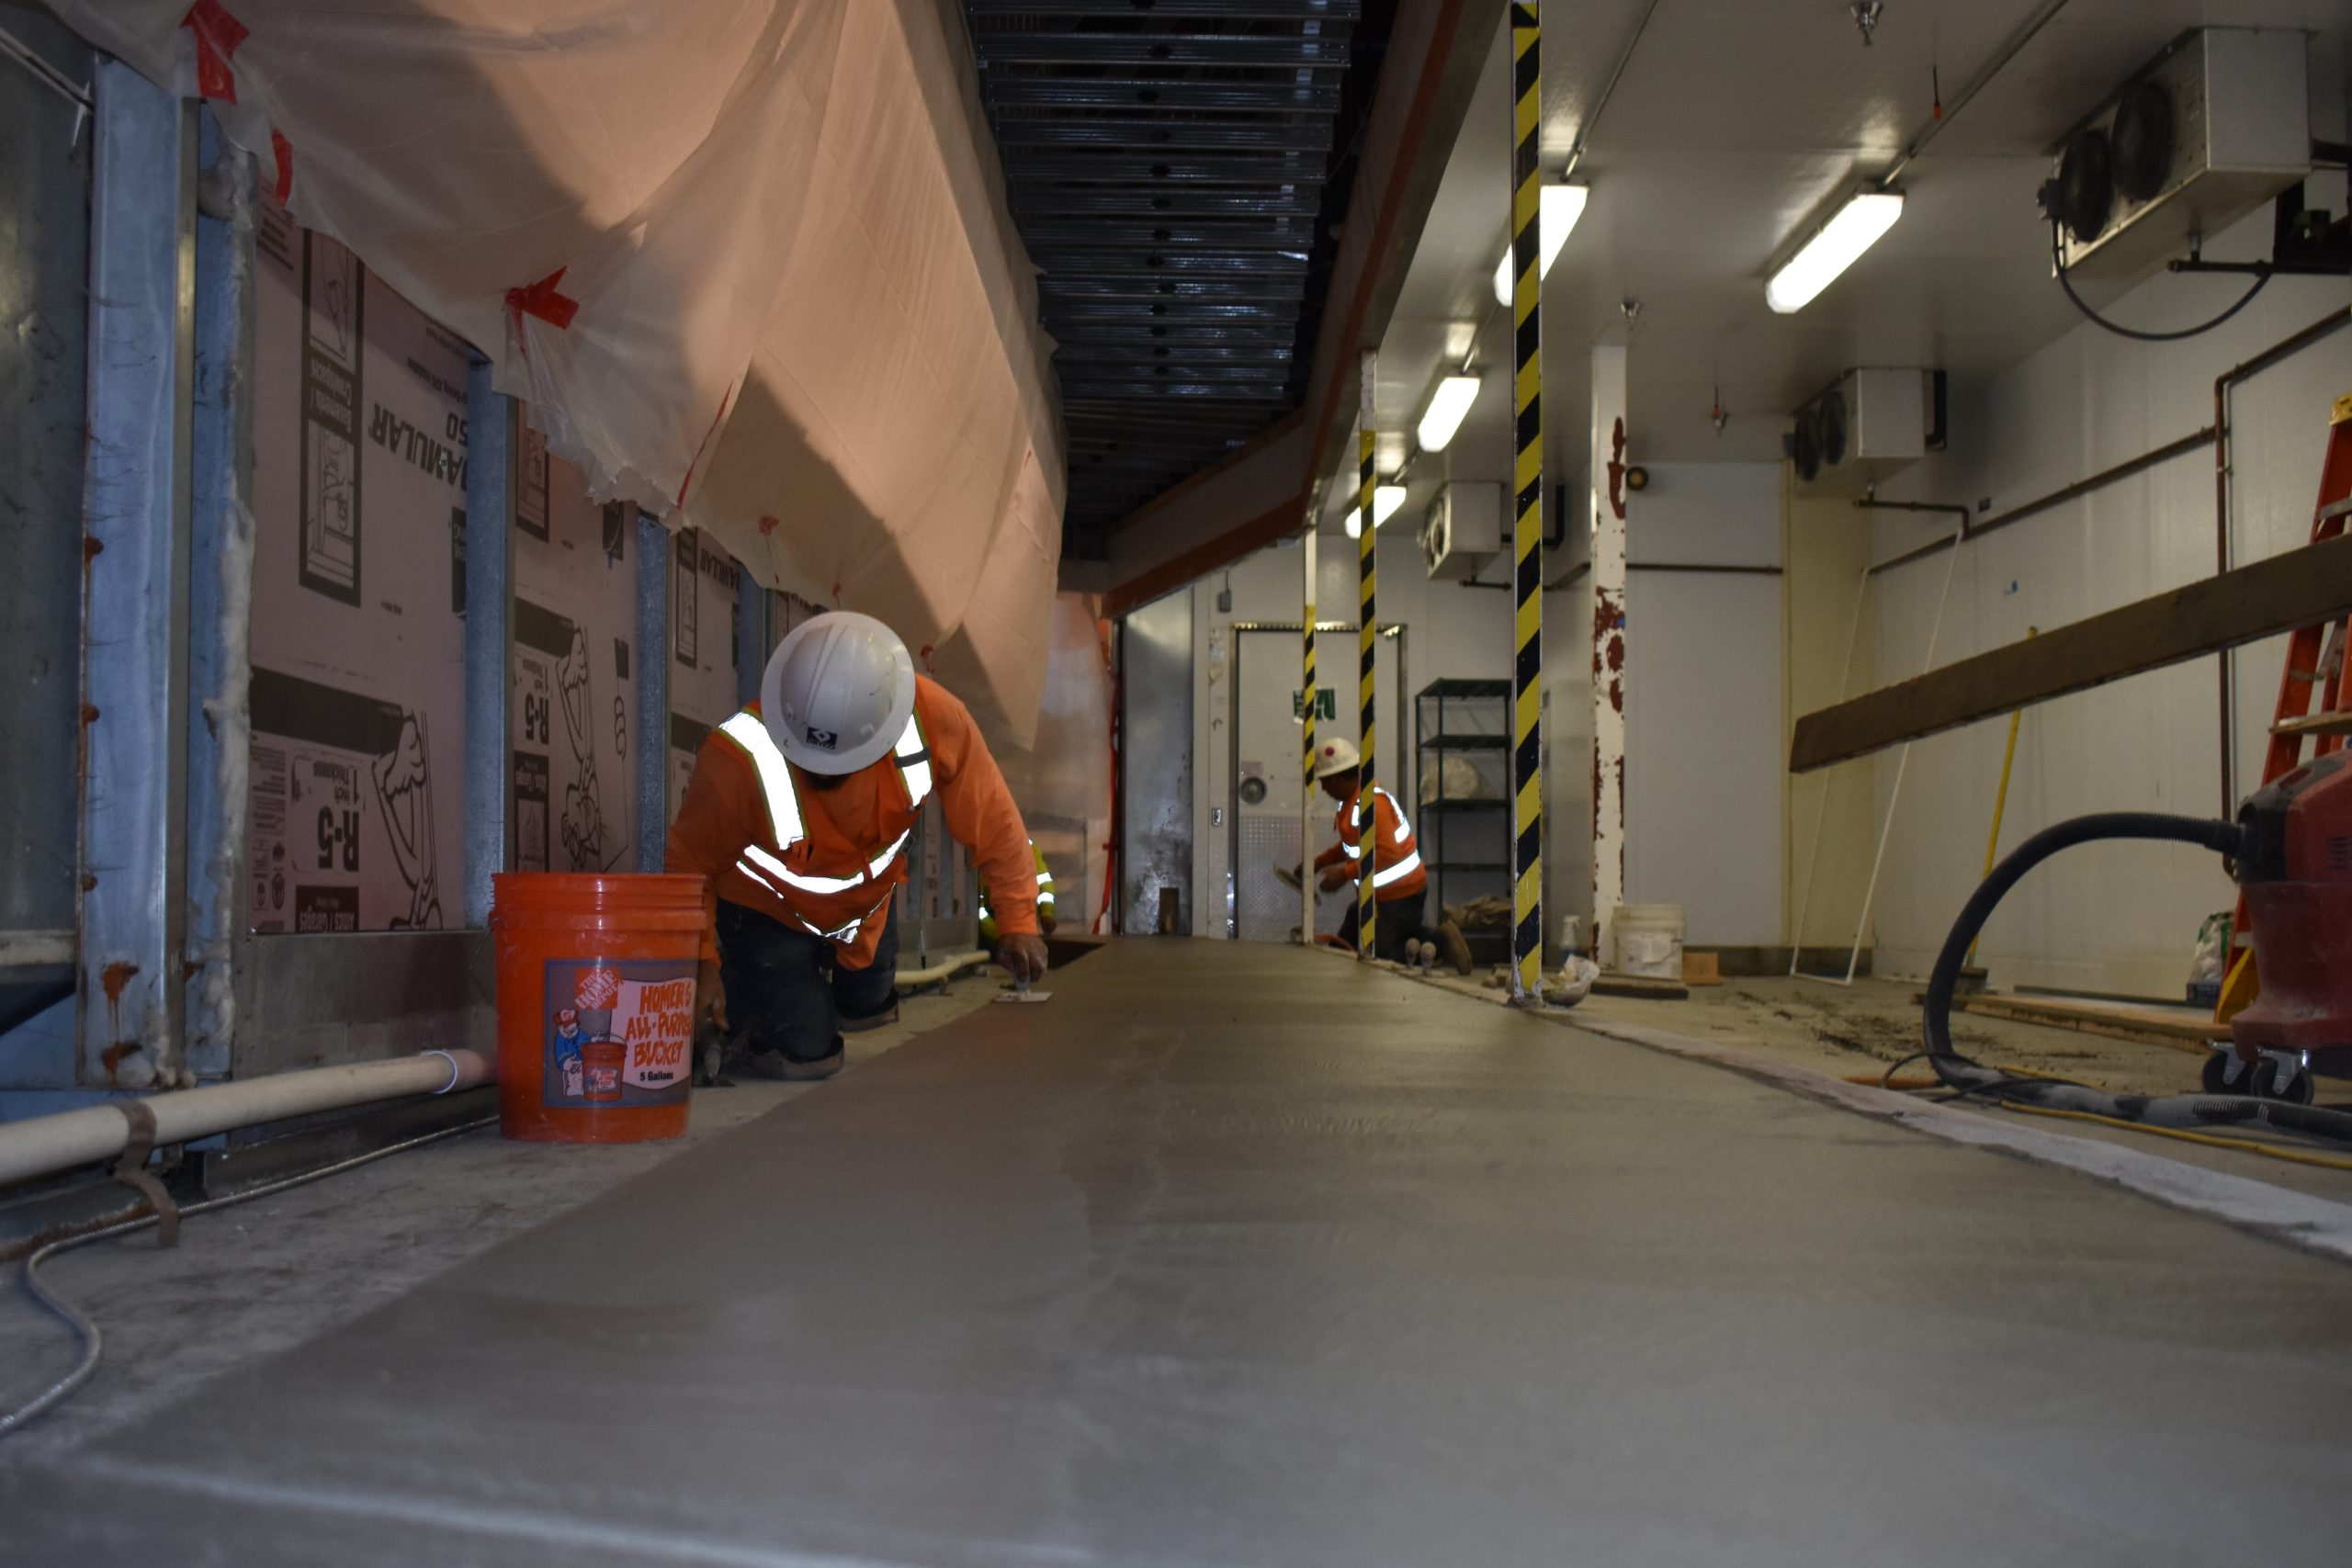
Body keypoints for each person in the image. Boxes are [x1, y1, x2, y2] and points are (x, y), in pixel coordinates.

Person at [666, 611, 1048, 1080]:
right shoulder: (736, 759)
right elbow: (689, 865)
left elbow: (994, 816)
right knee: (808, 1057)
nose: (822, 773)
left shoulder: (930, 718)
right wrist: (701, 963)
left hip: (863, 910)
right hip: (768, 912)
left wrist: (1018, 920)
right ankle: (750, 997)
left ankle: (821, 982)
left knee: (868, 1007)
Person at [1307, 737, 1471, 972]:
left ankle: (1440, 942)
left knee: (1384, 956)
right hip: (1378, 894)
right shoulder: (1350, 804)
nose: (1323, 788)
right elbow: (1352, 846)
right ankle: (1422, 937)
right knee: (1346, 944)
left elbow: (1386, 853)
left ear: (1338, 778)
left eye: (1325, 782)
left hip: (1401, 893)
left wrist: (1345, 874)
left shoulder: (1372, 803)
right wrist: (1320, 862)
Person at [978, 840, 1057, 945]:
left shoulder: (1027, 846)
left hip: (1019, 925)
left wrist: (1046, 912)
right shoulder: (985, 850)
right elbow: (978, 910)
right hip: (993, 926)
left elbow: (1043, 881)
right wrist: (999, 936)